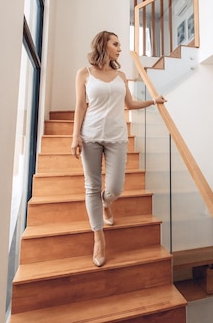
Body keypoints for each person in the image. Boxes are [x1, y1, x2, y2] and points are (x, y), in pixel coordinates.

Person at [71, 30, 166, 267]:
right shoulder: (84, 73)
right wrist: (75, 137)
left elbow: (130, 104)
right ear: (103, 44)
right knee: (92, 187)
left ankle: (106, 204)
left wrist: (153, 101)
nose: (120, 48)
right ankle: (99, 237)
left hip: (117, 138)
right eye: (116, 44)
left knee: (115, 188)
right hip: (90, 135)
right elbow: (80, 107)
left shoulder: (121, 76)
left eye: (120, 44)